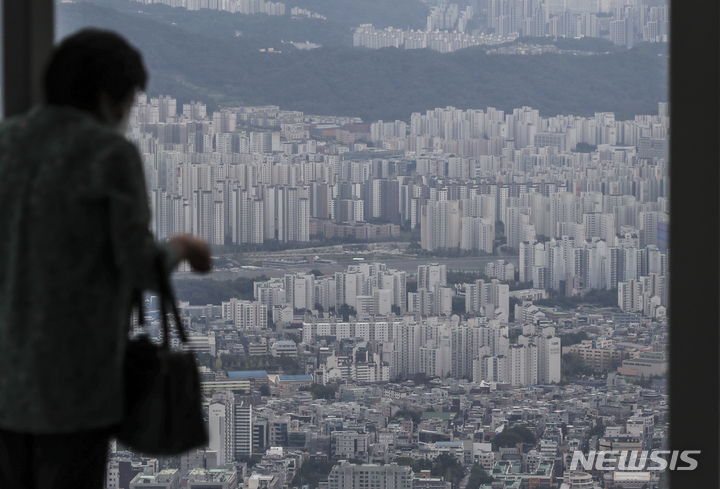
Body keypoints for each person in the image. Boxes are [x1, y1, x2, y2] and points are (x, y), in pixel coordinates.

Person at [0, 29, 211, 488]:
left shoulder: (6, 141)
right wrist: (182, 248)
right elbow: (139, 264)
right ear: (105, 98)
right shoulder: (109, 155)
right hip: (74, 388)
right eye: (129, 101)